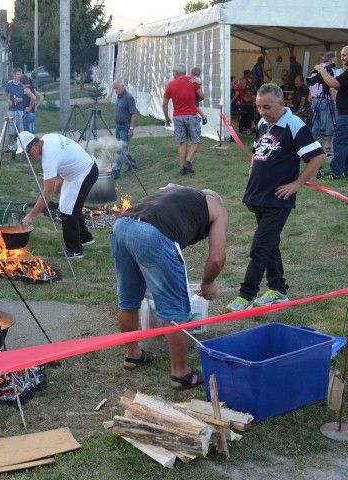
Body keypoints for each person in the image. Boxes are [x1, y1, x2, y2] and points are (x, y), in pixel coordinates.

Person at [111, 186, 228, 390]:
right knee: (176, 309)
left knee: (128, 300)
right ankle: (180, 373)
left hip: (121, 226)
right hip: (152, 232)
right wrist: (208, 282)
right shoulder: (218, 207)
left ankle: (133, 354)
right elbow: (217, 258)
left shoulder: (180, 194)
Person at [226, 83, 325, 312]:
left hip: (278, 199)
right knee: (271, 244)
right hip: (259, 196)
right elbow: (256, 151)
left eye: (267, 107)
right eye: (259, 107)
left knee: (260, 247)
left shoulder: (294, 124)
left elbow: (318, 157)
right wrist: (252, 169)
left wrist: (297, 184)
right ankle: (278, 289)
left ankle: (246, 295)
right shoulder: (263, 123)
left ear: (281, 103)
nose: (262, 111)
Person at [18, 131, 98, 259]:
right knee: (70, 206)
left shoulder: (48, 158)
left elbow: (48, 192)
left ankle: (75, 251)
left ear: (35, 144)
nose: (27, 155)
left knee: (68, 209)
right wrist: (59, 178)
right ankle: (85, 238)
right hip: (83, 169)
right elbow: (65, 155)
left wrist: (31, 216)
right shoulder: (47, 138)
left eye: (27, 151)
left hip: (84, 173)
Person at [315, 45, 348, 180]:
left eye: (344, 55)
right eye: (341, 55)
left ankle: (336, 172)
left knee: (339, 141)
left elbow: (333, 84)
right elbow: (339, 85)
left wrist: (322, 70)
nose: (342, 58)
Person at [163, 64, 203, 176]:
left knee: (182, 143)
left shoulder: (171, 84)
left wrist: (166, 118)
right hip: (191, 115)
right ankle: (188, 162)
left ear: (176, 73)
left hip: (178, 117)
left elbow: (165, 104)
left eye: (173, 72)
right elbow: (202, 96)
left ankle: (182, 169)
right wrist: (195, 99)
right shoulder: (193, 81)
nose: (172, 74)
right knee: (195, 141)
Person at [309, 52, 338, 155]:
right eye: (335, 59)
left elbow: (311, 84)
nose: (336, 62)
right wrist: (335, 100)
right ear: (331, 60)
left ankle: (314, 147)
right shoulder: (330, 70)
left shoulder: (315, 69)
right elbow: (333, 86)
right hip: (327, 99)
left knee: (316, 123)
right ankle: (327, 147)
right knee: (327, 123)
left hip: (315, 99)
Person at [112, 79, 138, 179]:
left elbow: (134, 114)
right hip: (118, 127)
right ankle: (132, 164)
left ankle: (116, 172)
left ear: (123, 86)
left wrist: (131, 129)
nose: (116, 90)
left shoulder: (129, 98)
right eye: (114, 89)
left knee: (121, 149)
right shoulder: (119, 96)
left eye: (117, 88)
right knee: (122, 148)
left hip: (125, 127)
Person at [3, 67, 25, 151]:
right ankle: (10, 147)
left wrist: (20, 99)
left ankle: (22, 148)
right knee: (11, 130)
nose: (20, 76)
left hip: (20, 110)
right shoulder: (10, 84)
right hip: (11, 110)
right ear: (14, 75)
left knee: (21, 130)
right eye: (18, 74)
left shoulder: (23, 85)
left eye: (20, 74)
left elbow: (26, 97)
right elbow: (4, 95)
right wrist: (8, 100)